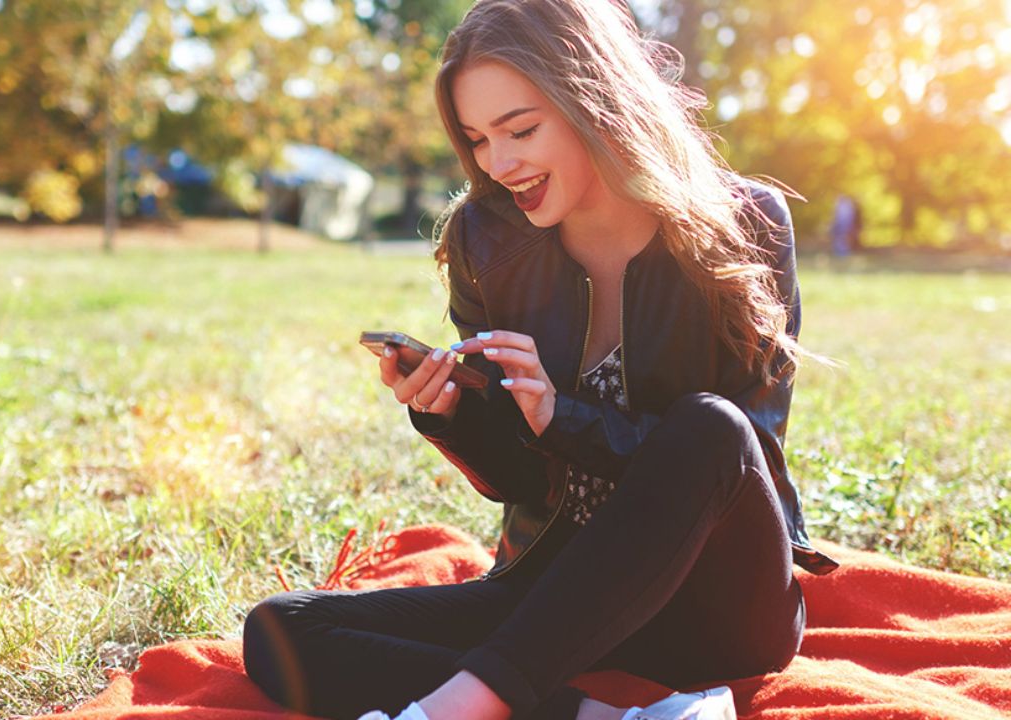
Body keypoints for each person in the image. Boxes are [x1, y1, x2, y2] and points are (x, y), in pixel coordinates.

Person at [242, 1, 840, 719]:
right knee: (283, 630)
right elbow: (518, 482)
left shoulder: (747, 224)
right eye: (478, 139)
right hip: (550, 599)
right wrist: (454, 414)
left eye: (521, 129)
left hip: (712, 612)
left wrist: (567, 418)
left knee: (707, 425)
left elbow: (744, 457)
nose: (500, 163)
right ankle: (599, 718)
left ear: (597, 100)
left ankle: (455, 712)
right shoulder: (486, 240)